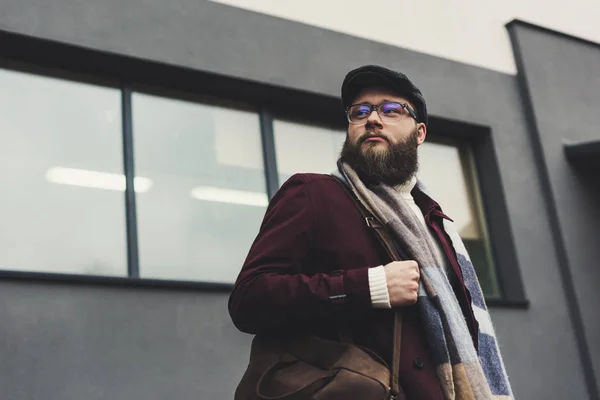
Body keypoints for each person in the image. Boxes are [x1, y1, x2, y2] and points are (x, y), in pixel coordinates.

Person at [229, 65, 513, 399]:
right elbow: (249, 300)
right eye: (360, 112)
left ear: (419, 133)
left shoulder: (437, 225)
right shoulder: (314, 194)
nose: (372, 119)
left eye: (392, 110)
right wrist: (369, 286)